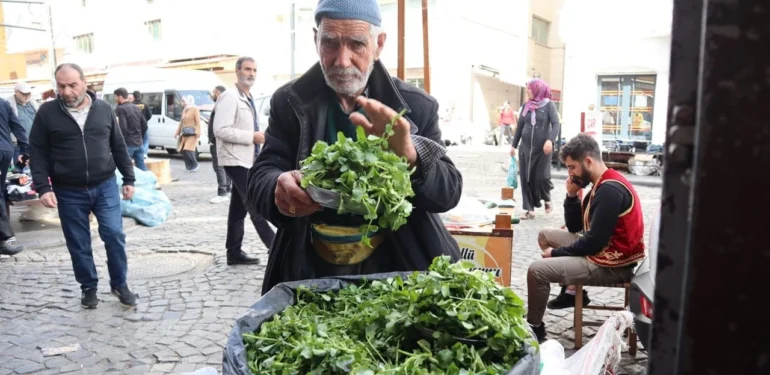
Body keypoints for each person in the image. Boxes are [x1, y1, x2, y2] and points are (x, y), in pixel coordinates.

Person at [248, 0, 463, 295]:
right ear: (315, 40)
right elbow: (261, 175)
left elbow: (449, 193)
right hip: (309, 265)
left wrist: (411, 157)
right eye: (330, 43)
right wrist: (278, 187)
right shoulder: (289, 100)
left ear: (379, 45)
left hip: (397, 267)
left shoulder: (416, 105)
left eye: (357, 44)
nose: (342, 61)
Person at [29, 63, 138, 309]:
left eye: (72, 85)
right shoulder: (47, 113)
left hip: (105, 185)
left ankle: (120, 284)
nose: (66, 91)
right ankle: (88, 286)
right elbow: (37, 151)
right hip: (68, 190)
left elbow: (118, 145)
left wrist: (129, 179)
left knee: (114, 234)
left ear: (84, 83)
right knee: (78, 241)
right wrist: (43, 187)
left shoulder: (104, 109)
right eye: (61, 86)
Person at [526, 133, 645, 341]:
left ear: (588, 161)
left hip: (612, 265)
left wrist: (556, 253)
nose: (570, 173)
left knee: (537, 270)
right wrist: (571, 196)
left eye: (572, 167)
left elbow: (593, 242)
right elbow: (575, 227)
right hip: (601, 251)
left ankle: (535, 327)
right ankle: (570, 292)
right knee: (545, 234)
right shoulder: (602, 182)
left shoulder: (609, 190)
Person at [213, 57, 275, 266]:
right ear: (237, 71)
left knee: (238, 208)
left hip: (247, 159)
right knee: (254, 203)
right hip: (234, 159)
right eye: (248, 69)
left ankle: (234, 251)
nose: (252, 74)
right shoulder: (230, 97)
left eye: (255, 70)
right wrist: (252, 136)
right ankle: (274, 246)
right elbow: (220, 130)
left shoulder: (247, 96)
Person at [510, 79, 560, 220]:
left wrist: (550, 140)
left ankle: (546, 197)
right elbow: (520, 127)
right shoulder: (526, 106)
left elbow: (556, 124)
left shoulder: (549, 105)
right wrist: (513, 145)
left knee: (542, 177)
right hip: (525, 148)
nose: (527, 92)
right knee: (526, 178)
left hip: (543, 149)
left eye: (529, 89)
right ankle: (529, 209)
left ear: (537, 89)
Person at [0, 97, 28, 256]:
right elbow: (17, 126)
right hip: (5, 151)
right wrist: (25, 148)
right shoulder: (4, 103)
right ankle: (3, 239)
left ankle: (3, 240)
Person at [113, 87, 148, 171]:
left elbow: (123, 127)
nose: (115, 99)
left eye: (115, 97)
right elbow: (144, 125)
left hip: (128, 143)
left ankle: (129, 183)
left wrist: (121, 141)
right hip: (139, 143)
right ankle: (148, 182)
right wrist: (140, 136)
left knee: (126, 167)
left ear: (120, 97)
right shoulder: (136, 107)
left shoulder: (121, 109)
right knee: (141, 166)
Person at [208, 85, 231, 203]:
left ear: (217, 92)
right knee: (224, 166)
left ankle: (222, 192)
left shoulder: (220, 105)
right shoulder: (224, 105)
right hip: (220, 140)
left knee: (219, 167)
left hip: (218, 141)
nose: (212, 94)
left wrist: (212, 139)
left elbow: (219, 125)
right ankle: (227, 190)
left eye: (213, 92)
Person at [6, 82, 37, 162]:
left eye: (29, 93)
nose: (27, 96)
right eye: (24, 94)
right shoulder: (8, 105)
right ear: (16, 92)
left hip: (34, 143)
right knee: (19, 169)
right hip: (18, 146)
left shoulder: (33, 103)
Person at [175, 105, 201, 172]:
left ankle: (195, 164)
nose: (182, 103)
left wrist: (198, 132)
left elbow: (198, 122)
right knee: (184, 151)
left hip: (192, 133)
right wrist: (177, 133)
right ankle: (189, 167)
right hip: (185, 134)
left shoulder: (195, 109)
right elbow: (181, 123)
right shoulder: (184, 110)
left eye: (184, 101)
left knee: (188, 149)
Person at [132, 91, 153, 157]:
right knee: (146, 140)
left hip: (134, 126)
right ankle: (144, 154)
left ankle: (135, 154)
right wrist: (145, 120)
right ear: (140, 96)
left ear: (133, 96)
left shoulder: (131, 105)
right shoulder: (145, 105)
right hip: (144, 125)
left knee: (136, 140)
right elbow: (149, 115)